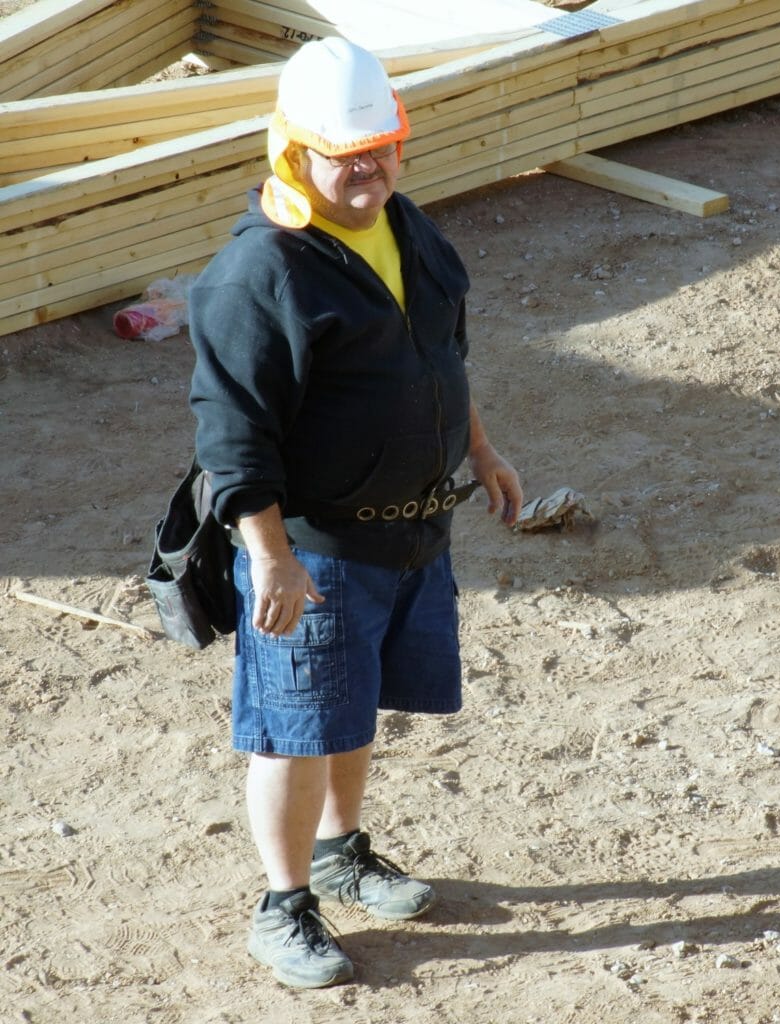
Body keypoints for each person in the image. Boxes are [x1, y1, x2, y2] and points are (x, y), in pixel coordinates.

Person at [188, 37, 522, 989]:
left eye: (384, 146)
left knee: (349, 707)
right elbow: (233, 438)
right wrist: (271, 558)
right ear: (294, 150)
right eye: (348, 153)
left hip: (412, 531)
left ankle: (343, 851)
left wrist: (482, 449)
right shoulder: (261, 276)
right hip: (316, 550)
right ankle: (283, 904)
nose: (370, 167)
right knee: (294, 727)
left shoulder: (406, 227)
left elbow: (438, 357)